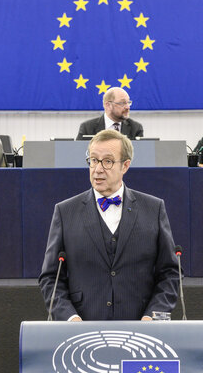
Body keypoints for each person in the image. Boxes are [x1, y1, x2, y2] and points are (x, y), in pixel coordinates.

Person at [39, 129, 179, 321]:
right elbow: (50, 279)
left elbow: (170, 274)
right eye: (93, 160)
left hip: (141, 330)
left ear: (125, 166)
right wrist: (70, 318)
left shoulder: (154, 209)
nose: (97, 169)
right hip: (83, 331)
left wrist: (152, 317)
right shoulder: (65, 212)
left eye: (107, 161)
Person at [76, 87, 143, 140]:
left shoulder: (135, 128)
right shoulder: (87, 128)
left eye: (128, 102)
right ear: (108, 105)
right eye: (122, 103)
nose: (127, 107)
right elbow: (79, 153)